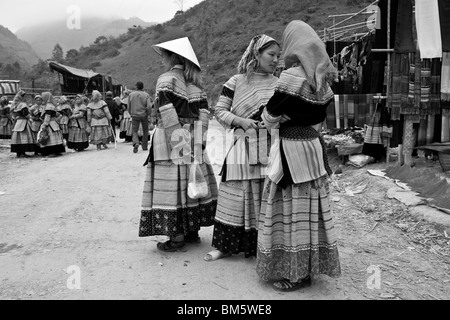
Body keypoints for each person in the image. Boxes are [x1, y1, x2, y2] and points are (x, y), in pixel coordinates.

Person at [256, 20, 341, 291]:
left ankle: (295, 274)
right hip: (313, 149)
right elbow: (318, 119)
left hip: (290, 150)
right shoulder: (321, 80)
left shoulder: (291, 76)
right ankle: (308, 267)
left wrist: (275, 117)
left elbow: (269, 116)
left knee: (289, 209)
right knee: (310, 210)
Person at [204, 34, 281, 261]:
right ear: (256, 54)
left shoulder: (279, 84)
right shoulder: (236, 81)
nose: (276, 60)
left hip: (271, 147)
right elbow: (219, 111)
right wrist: (241, 121)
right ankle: (224, 246)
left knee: (266, 195)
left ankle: (263, 247)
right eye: (271, 55)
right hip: (242, 147)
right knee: (235, 195)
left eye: (278, 56)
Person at [138, 37, 218, 252]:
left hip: (172, 137)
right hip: (193, 136)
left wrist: (178, 142)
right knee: (191, 180)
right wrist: (198, 144)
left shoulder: (166, 79)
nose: (162, 59)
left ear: (171, 57)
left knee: (173, 184)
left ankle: (176, 237)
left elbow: (167, 112)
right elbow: (204, 114)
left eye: (164, 55)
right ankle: (192, 232)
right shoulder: (196, 85)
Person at [38, 92, 66, 157]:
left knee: (50, 138)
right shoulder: (52, 105)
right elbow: (58, 114)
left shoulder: (48, 106)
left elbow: (47, 116)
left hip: (49, 124)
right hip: (54, 124)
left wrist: (45, 124)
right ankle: (57, 151)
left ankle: (52, 152)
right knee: (56, 138)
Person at [10, 90, 36, 157]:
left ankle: (19, 152)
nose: (25, 97)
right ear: (22, 97)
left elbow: (13, 114)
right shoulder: (23, 104)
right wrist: (30, 118)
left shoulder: (16, 104)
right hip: (24, 121)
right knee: (24, 135)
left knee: (18, 136)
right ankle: (23, 151)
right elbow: (25, 113)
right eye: (24, 96)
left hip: (18, 122)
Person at [128, 81, 153, 153]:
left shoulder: (131, 95)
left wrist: (131, 113)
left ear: (136, 86)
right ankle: (144, 146)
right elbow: (149, 106)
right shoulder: (146, 95)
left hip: (134, 115)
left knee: (134, 131)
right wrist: (148, 113)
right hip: (144, 115)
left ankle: (136, 142)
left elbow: (129, 106)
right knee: (145, 130)